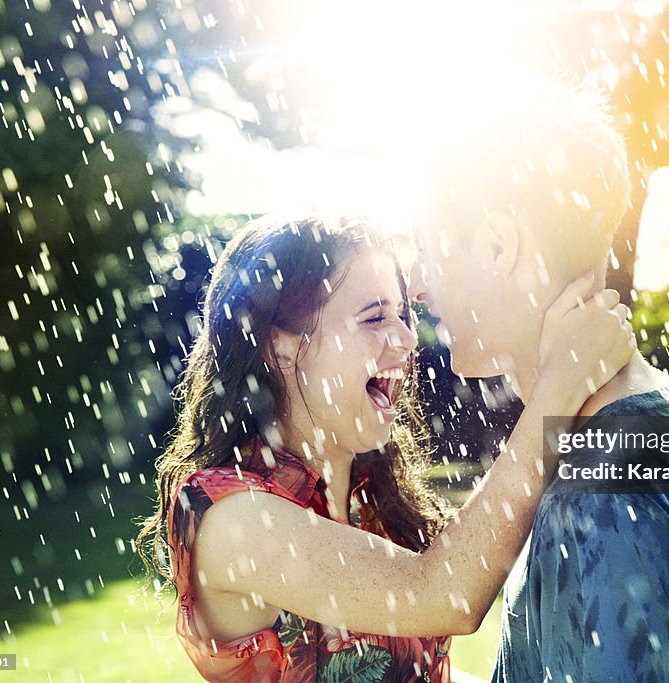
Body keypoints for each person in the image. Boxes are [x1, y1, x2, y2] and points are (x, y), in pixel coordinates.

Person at [136, 213, 637, 682]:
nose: (406, 339)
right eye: (375, 319)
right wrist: (560, 386)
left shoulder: (372, 498)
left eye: (403, 315)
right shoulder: (232, 517)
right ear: (281, 348)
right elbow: (444, 595)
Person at [409, 75, 669, 681]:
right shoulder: (650, 420)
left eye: (427, 250)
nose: (416, 285)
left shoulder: (602, 493)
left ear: (498, 245)